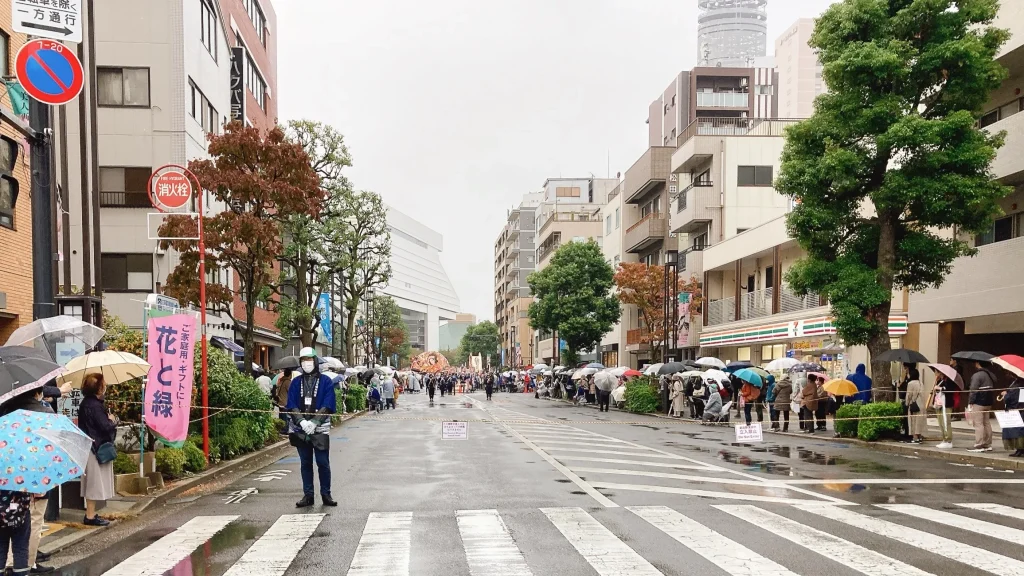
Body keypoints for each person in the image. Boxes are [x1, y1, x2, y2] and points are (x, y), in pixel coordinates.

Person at [2, 389, 57, 574]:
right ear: (38, 393)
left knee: (1, 542)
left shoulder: (5, 411)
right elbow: (51, 449)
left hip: (3, 489)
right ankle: (25, 567)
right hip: (29, 488)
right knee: (23, 540)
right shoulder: (44, 413)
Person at [285, 348, 337, 508]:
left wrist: (314, 422)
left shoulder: (326, 381)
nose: (306, 363)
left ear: (315, 361)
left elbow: (328, 404)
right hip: (300, 429)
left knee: (323, 462)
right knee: (305, 463)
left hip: (320, 429)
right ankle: (308, 495)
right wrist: (301, 421)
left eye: (309, 360)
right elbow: (291, 404)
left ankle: (326, 494)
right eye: (303, 360)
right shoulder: (296, 382)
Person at [78, 373, 117, 527]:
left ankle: (91, 513)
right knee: (94, 482)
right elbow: (105, 426)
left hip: (89, 446)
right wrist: (112, 420)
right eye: (103, 384)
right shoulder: (94, 405)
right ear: (99, 387)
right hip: (95, 448)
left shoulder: (86, 403)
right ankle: (90, 515)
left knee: (91, 482)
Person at [967, 360, 996, 452]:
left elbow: (973, 389)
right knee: (986, 422)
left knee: (978, 423)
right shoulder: (991, 375)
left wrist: (971, 401)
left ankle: (979, 444)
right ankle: (988, 444)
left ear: (978, 363)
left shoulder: (977, 375)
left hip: (979, 401)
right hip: (988, 401)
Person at [932, 371, 957, 449]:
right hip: (939, 404)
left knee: (946, 422)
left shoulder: (949, 381)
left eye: (937, 372)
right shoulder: (940, 380)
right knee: (941, 422)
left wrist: (940, 388)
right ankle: (944, 438)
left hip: (946, 404)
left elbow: (949, 390)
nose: (935, 373)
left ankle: (948, 440)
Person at [1003, 375, 1024, 457]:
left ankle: (1019, 450)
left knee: (1017, 431)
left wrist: (1005, 395)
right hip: (1021, 409)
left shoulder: (1016, 385)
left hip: (1016, 410)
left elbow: (1010, 399)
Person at [904, 367, 926, 444]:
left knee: (913, 421)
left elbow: (909, 395)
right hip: (921, 404)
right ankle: (919, 436)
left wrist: (907, 403)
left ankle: (915, 437)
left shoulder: (910, 384)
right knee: (919, 421)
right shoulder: (921, 383)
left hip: (913, 404)